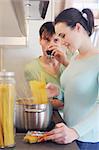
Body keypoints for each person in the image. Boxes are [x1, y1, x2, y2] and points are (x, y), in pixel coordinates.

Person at [45, 8, 99, 150]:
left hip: (87, 139)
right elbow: (75, 94)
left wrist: (76, 132)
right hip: (68, 134)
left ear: (78, 28)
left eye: (63, 35)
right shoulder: (75, 58)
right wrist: (58, 92)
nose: (61, 42)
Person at [24, 22, 69, 112]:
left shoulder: (71, 60)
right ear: (40, 40)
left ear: (62, 42)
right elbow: (41, 101)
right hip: (50, 116)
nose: (51, 45)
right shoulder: (32, 69)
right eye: (47, 40)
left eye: (56, 40)